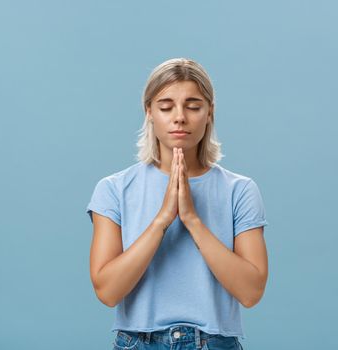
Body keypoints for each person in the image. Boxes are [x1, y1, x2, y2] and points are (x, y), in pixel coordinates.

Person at [86, 58, 269, 350]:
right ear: (149, 112)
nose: (180, 117)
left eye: (193, 106)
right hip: (138, 343)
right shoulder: (114, 189)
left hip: (214, 343)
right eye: (166, 106)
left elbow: (251, 292)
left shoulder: (240, 190)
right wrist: (162, 219)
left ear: (209, 112)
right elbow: (108, 291)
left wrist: (192, 220)